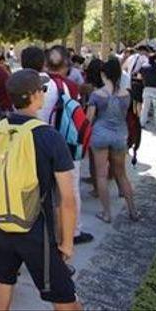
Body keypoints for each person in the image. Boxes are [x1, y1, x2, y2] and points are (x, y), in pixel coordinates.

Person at [0, 69, 81, 311]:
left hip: (0, 229)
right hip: (37, 232)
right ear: (34, 96)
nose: (44, 93)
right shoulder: (49, 137)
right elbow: (67, 199)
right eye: (42, 89)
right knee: (65, 301)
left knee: (0, 296)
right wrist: (67, 243)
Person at [43, 46, 92, 245]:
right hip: (65, 145)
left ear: (46, 64)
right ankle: (73, 232)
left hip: (40, 144)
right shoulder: (70, 86)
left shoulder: (36, 83)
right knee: (70, 191)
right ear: (67, 65)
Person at [88, 58, 139, 223]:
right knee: (122, 174)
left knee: (101, 175)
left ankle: (106, 213)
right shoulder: (126, 95)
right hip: (119, 135)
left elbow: (89, 119)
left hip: (100, 135)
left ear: (103, 74)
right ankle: (133, 211)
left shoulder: (96, 95)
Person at [138, 47, 156, 131]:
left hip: (146, 89)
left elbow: (139, 77)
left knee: (145, 107)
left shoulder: (143, 66)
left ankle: (141, 123)